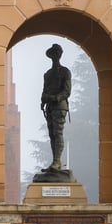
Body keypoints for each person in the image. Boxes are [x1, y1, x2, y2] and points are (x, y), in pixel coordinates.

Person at [40, 43, 71, 171]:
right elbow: (44, 90)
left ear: (60, 55)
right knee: (52, 134)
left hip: (59, 106)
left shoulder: (65, 72)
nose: (55, 55)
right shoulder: (47, 74)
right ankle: (55, 161)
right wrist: (43, 100)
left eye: (57, 53)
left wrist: (54, 98)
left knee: (58, 133)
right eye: (53, 53)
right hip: (50, 107)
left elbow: (67, 91)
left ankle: (57, 161)